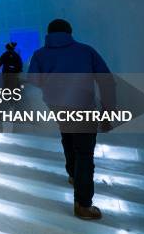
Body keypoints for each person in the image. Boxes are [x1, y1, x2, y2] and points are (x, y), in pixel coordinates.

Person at [28, 19, 115, 220]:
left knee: (67, 136)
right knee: (84, 152)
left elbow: (34, 80)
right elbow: (106, 80)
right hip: (83, 105)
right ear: (70, 32)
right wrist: (108, 110)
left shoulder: (40, 54)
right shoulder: (86, 51)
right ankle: (83, 205)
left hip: (57, 105)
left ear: (49, 34)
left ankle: (74, 175)